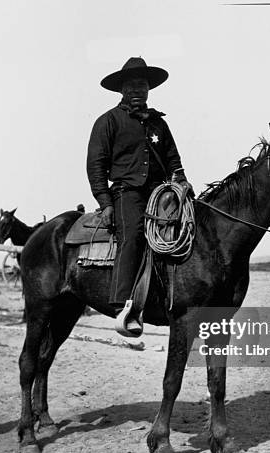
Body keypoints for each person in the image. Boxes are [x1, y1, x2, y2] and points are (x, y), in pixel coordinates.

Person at [86, 57, 193, 335]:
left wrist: (181, 182)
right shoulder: (108, 122)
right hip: (126, 193)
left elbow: (173, 161)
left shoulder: (159, 124)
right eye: (132, 85)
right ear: (122, 89)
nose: (137, 90)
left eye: (143, 85)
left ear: (149, 89)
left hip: (160, 194)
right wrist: (105, 203)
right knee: (132, 235)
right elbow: (96, 166)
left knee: (184, 232)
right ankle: (123, 304)